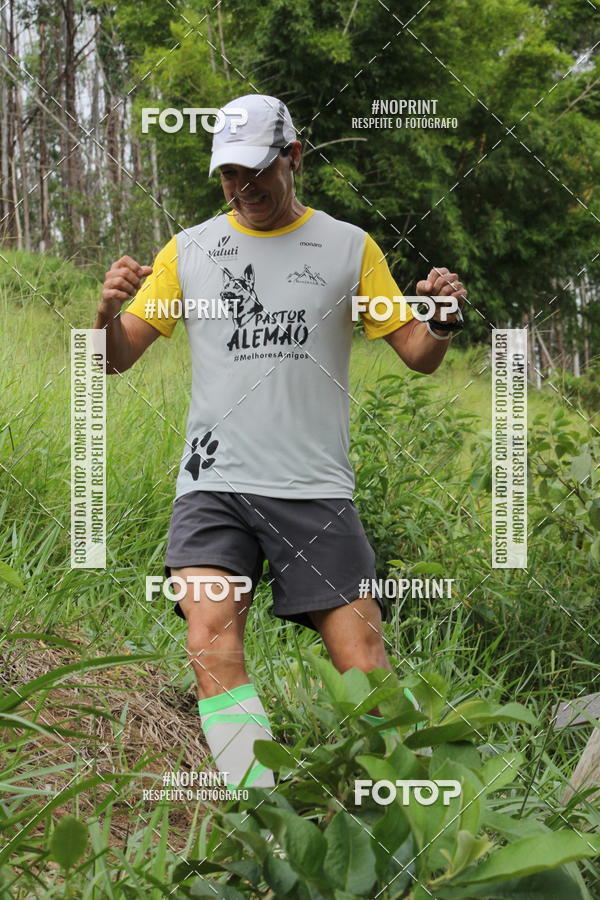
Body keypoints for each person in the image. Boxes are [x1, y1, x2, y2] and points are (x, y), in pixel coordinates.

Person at [94, 94, 467, 789]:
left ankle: (412, 813)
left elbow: (417, 351)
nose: (243, 188)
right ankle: (258, 802)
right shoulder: (190, 250)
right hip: (214, 485)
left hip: (315, 489)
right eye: (229, 175)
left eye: (256, 169)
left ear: (294, 157)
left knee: (361, 659)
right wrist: (104, 315)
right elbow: (114, 359)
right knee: (209, 635)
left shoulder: (349, 246)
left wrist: (441, 318)